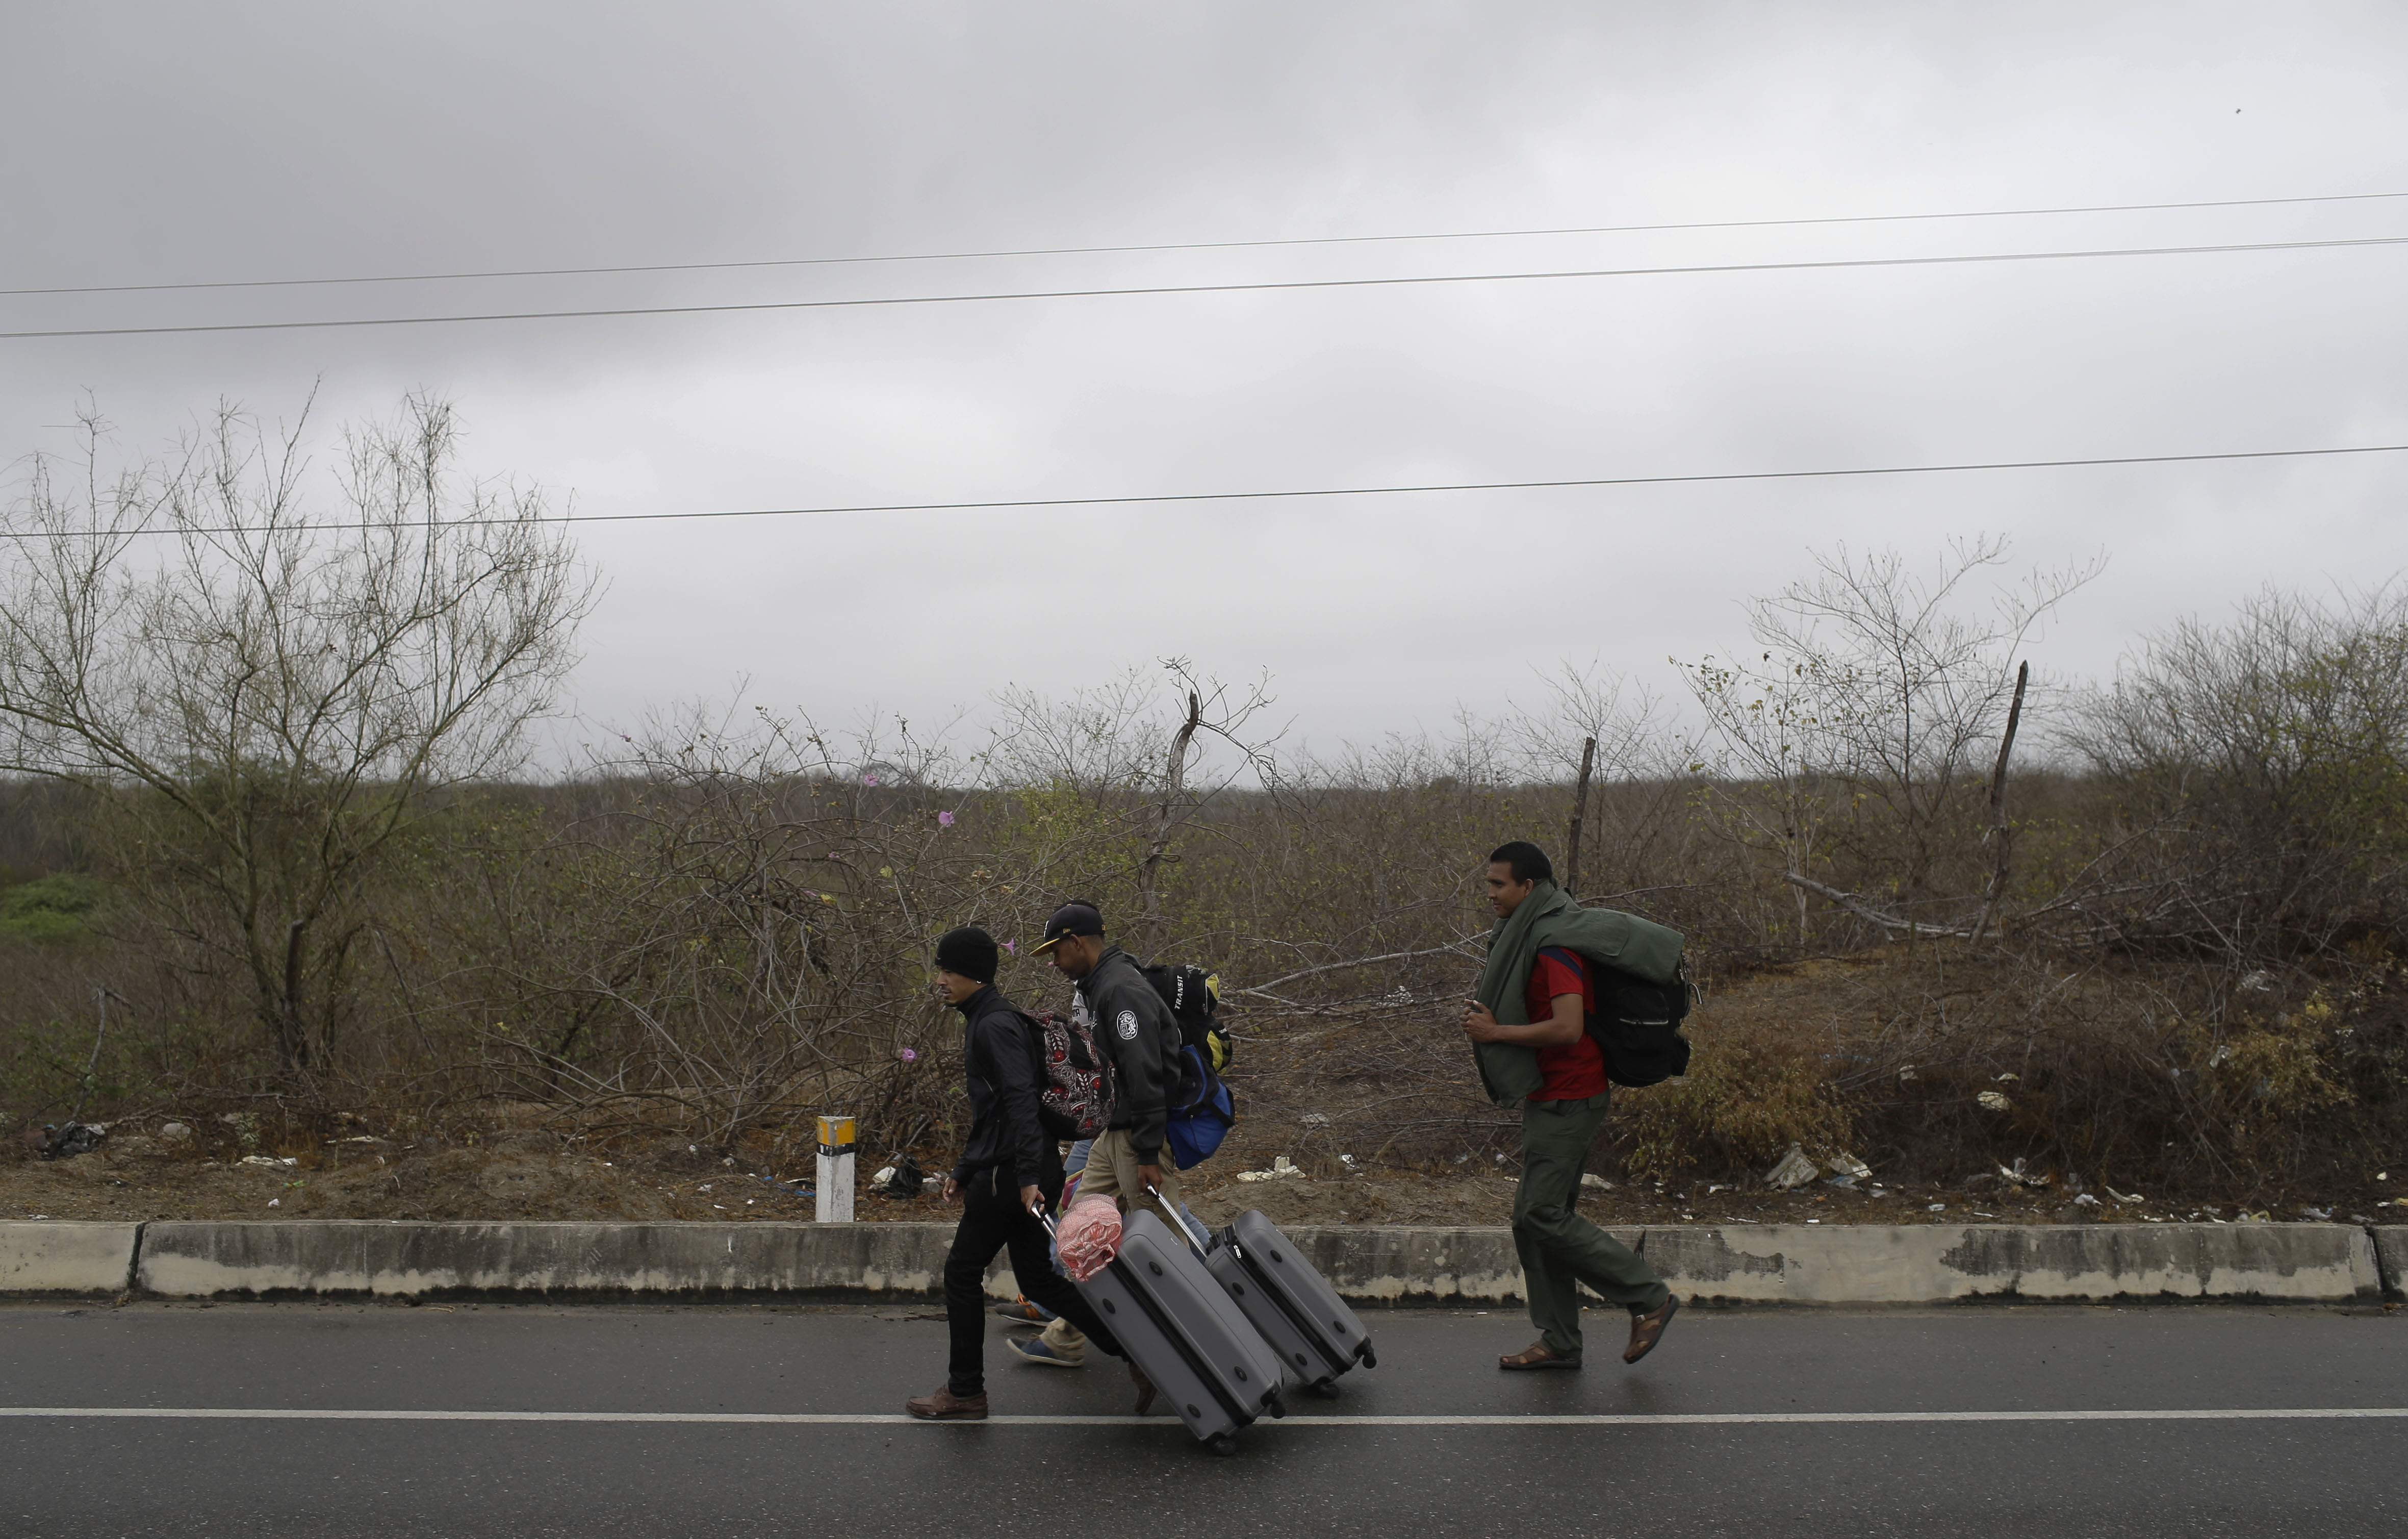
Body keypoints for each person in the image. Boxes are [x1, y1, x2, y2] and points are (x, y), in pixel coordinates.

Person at [1462, 840, 1679, 1371]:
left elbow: (1568, 1026)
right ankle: (1560, 1339)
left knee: (1541, 1213)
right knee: (1531, 1219)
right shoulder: (1530, 931)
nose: (1489, 892)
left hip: (1571, 1095)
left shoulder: (1556, 944)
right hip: (1552, 1093)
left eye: (1498, 883)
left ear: (1528, 887)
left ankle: (1648, 1295)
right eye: (1488, 882)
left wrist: (1497, 1031)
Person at [905, 925, 1123, 1421]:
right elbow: (994, 1111)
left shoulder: (994, 1025)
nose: (938, 979)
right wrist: (964, 1167)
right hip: (1019, 1168)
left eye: (946, 970)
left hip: (1011, 1177)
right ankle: (1137, 1353)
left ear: (972, 975)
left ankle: (965, 1391)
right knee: (1042, 1282)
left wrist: (1025, 1176)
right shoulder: (987, 1018)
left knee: (962, 1272)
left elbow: (1022, 1100)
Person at [1008, 899, 1187, 1372]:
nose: (1054, 961)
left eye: (1057, 950)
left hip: (1136, 1140)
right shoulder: (1102, 984)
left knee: (1165, 1246)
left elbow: (1146, 1073)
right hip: (1114, 1135)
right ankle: (1069, 1333)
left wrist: (1148, 1148)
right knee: (1081, 1237)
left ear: (1077, 943)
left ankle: (1197, 1339)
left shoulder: (1121, 991)